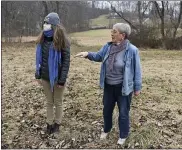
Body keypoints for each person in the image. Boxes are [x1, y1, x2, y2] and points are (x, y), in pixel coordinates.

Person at [75, 23, 142, 145]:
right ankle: (106, 129)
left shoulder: (132, 50)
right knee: (106, 110)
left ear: (122, 35)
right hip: (108, 86)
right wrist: (87, 54)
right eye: (112, 31)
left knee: (123, 112)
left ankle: (123, 135)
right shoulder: (108, 47)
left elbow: (137, 70)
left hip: (123, 88)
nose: (111, 34)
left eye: (114, 32)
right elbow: (98, 56)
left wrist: (137, 87)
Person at [35, 12, 70, 134]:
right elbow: (39, 60)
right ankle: (49, 123)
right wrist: (37, 74)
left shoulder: (63, 41)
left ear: (54, 25)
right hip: (45, 77)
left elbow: (66, 62)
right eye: (44, 23)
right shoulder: (42, 39)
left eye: (48, 23)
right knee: (49, 102)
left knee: (58, 101)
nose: (45, 25)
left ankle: (57, 123)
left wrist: (62, 79)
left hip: (58, 78)